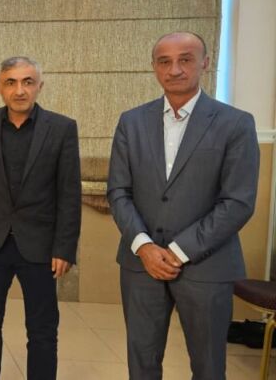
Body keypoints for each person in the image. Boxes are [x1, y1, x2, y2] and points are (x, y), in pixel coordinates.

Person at [108, 31, 260, 379]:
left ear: (205, 63)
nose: (174, 69)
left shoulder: (236, 123)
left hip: (207, 266)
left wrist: (178, 251)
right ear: (154, 67)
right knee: (141, 365)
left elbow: (237, 201)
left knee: (208, 367)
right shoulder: (131, 122)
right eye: (164, 61)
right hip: (141, 265)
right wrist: (144, 247)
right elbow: (118, 192)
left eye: (185, 59)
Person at [0, 56, 81, 380]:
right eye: (11, 82)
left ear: (40, 86)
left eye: (28, 82)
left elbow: (69, 194)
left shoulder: (62, 128)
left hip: (41, 246)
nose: (19, 90)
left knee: (42, 329)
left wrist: (65, 248)